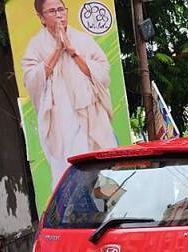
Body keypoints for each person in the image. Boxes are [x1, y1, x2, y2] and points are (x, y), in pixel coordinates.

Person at [21, 0, 117, 189]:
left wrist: (73, 52)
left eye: (61, 9)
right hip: (59, 117)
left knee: (97, 164)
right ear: (41, 17)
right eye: (52, 11)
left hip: (88, 110)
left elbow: (103, 72)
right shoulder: (36, 45)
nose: (59, 15)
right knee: (66, 166)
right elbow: (31, 79)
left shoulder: (83, 40)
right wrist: (57, 49)